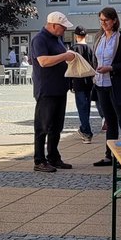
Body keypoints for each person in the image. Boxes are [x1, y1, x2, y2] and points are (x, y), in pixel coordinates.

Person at [30, 12, 76, 173]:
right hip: (47, 89)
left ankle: (53, 157)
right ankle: (39, 160)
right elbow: (43, 61)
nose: (64, 30)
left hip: (59, 88)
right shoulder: (39, 39)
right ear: (54, 25)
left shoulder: (57, 39)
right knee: (43, 126)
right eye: (63, 27)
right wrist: (64, 56)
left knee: (56, 126)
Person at [92, 7, 121, 167]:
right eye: (101, 20)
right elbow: (95, 59)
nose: (103, 23)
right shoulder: (99, 37)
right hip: (101, 84)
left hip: (118, 85)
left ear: (114, 20)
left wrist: (111, 68)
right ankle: (108, 156)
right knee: (109, 122)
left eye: (106, 20)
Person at [71, 26, 97, 143]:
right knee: (86, 108)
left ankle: (87, 133)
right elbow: (94, 65)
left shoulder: (73, 49)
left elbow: (70, 67)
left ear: (75, 36)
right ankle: (83, 129)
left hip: (78, 81)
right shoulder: (90, 49)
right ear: (86, 36)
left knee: (82, 108)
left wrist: (69, 84)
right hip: (89, 81)